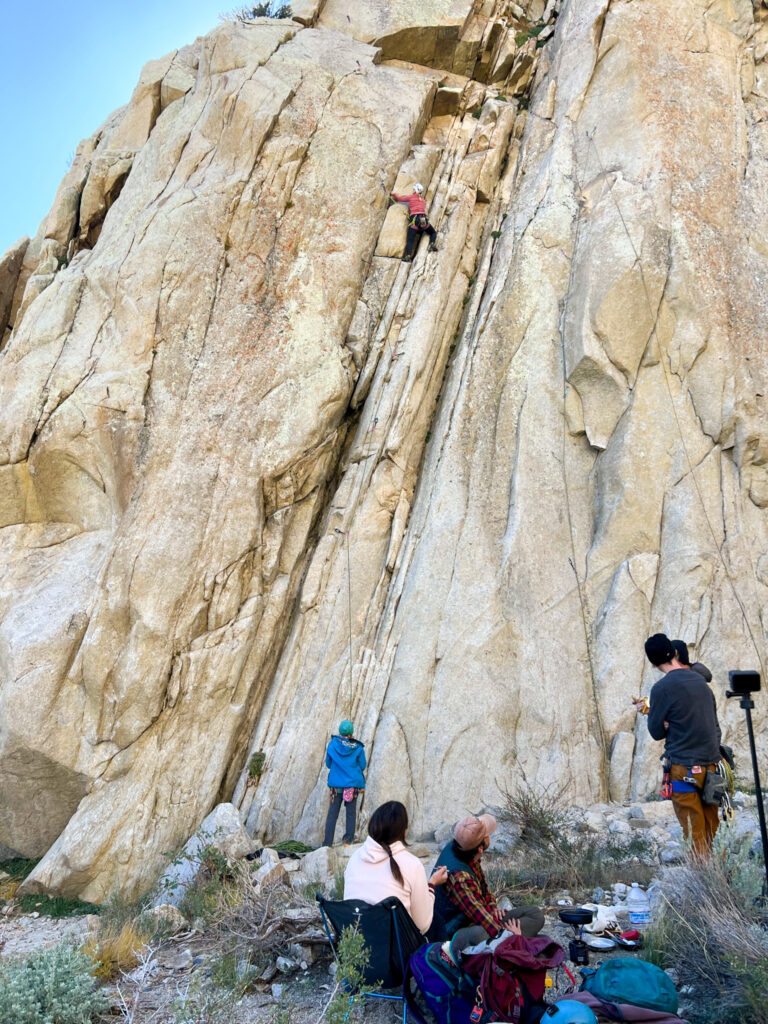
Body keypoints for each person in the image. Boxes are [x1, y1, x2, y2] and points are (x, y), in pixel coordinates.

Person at [636, 633, 722, 857]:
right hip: (711, 766)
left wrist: (656, 716)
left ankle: (705, 883)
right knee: (713, 826)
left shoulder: (661, 689)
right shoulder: (701, 682)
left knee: (694, 832)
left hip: (683, 767)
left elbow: (656, 733)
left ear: (653, 663)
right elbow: (712, 723)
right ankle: (723, 878)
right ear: (674, 653)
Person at [432, 813, 545, 940]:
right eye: (486, 835)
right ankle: (515, 943)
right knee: (481, 934)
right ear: (480, 848)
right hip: (456, 931)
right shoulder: (459, 877)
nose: (489, 836)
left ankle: (520, 941)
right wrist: (511, 935)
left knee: (535, 915)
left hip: (476, 917)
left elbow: (484, 888)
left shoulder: (463, 848)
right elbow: (482, 918)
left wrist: (493, 909)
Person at [344, 800, 449, 934]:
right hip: (395, 949)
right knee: (437, 922)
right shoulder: (412, 864)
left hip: (357, 944)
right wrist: (432, 885)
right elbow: (422, 926)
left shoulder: (355, 858)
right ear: (404, 832)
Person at [323, 720, 366, 847]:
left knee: (332, 814)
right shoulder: (358, 747)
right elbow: (363, 765)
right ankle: (348, 841)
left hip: (336, 787)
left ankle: (327, 843)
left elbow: (328, 764)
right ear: (351, 732)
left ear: (340, 731)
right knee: (351, 813)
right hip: (351, 787)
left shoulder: (332, 745)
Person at [390, 182, 438, 262]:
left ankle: (408, 256)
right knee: (433, 233)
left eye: (413, 189)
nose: (412, 190)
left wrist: (393, 194)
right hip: (423, 220)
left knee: (410, 239)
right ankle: (432, 244)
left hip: (414, 220)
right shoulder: (422, 200)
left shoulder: (411, 197)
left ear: (415, 190)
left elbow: (400, 199)